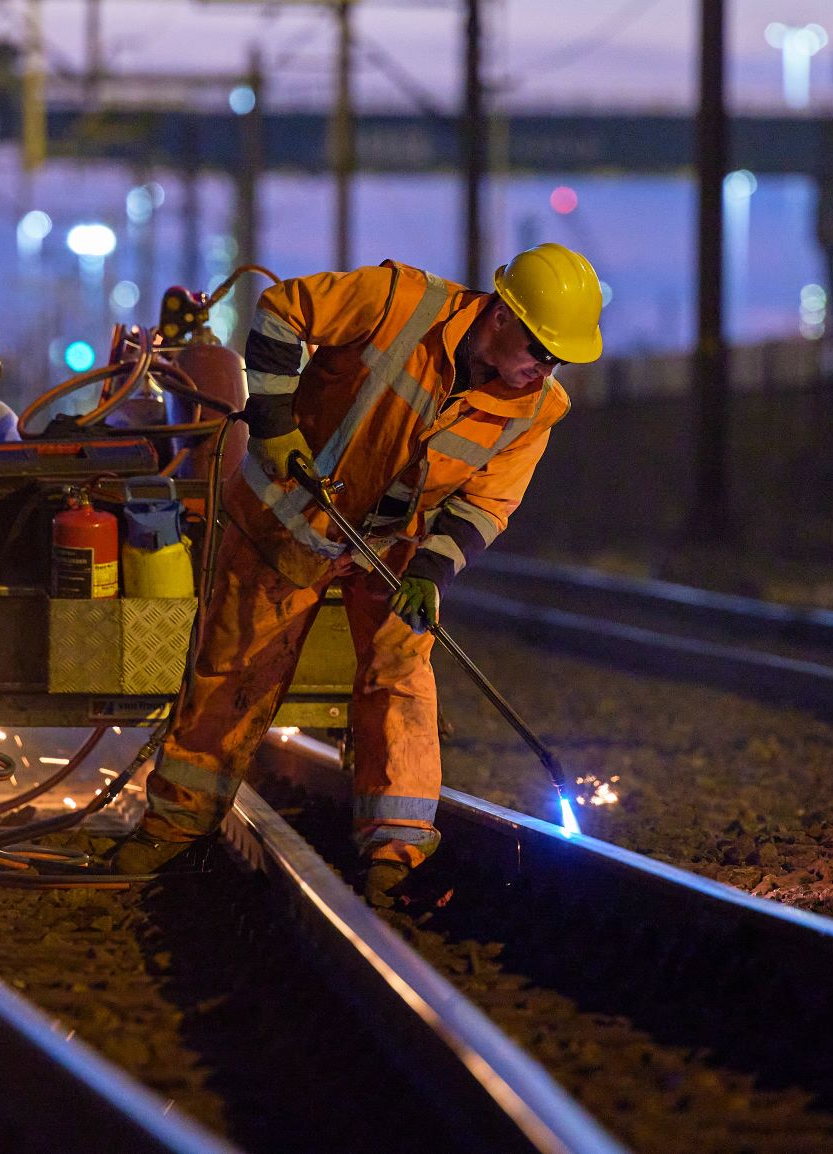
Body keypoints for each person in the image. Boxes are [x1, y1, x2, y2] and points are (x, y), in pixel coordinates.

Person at [107, 243, 604, 901]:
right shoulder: (398, 303)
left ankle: (393, 853)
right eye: (540, 350)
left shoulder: (536, 409)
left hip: (390, 549)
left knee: (400, 669)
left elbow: (486, 506)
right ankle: (172, 829)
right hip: (283, 523)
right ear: (501, 315)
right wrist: (275, 423)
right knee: (236, 670)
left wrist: (429, 573)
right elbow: (281, 312)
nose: (546, 368)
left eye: (559, 358)